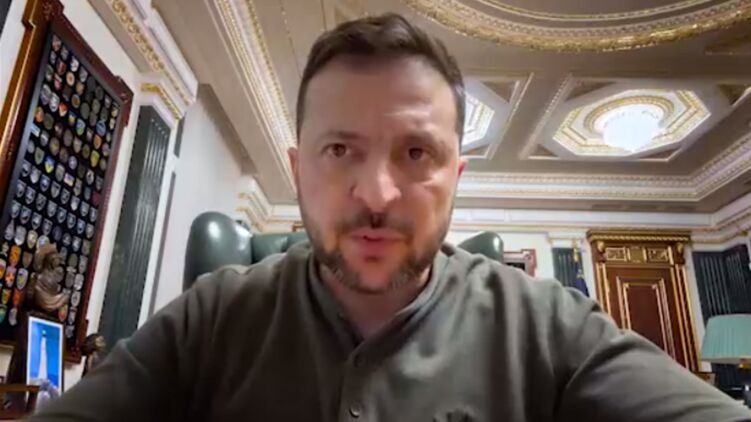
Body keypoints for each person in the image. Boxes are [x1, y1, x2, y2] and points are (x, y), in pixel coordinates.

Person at [30, 13, 751, 422]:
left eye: (415, 152)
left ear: (455, 178)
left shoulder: (549, 328)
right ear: (297, 170)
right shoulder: (210, 318)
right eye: (340, 150)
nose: (376, 194)